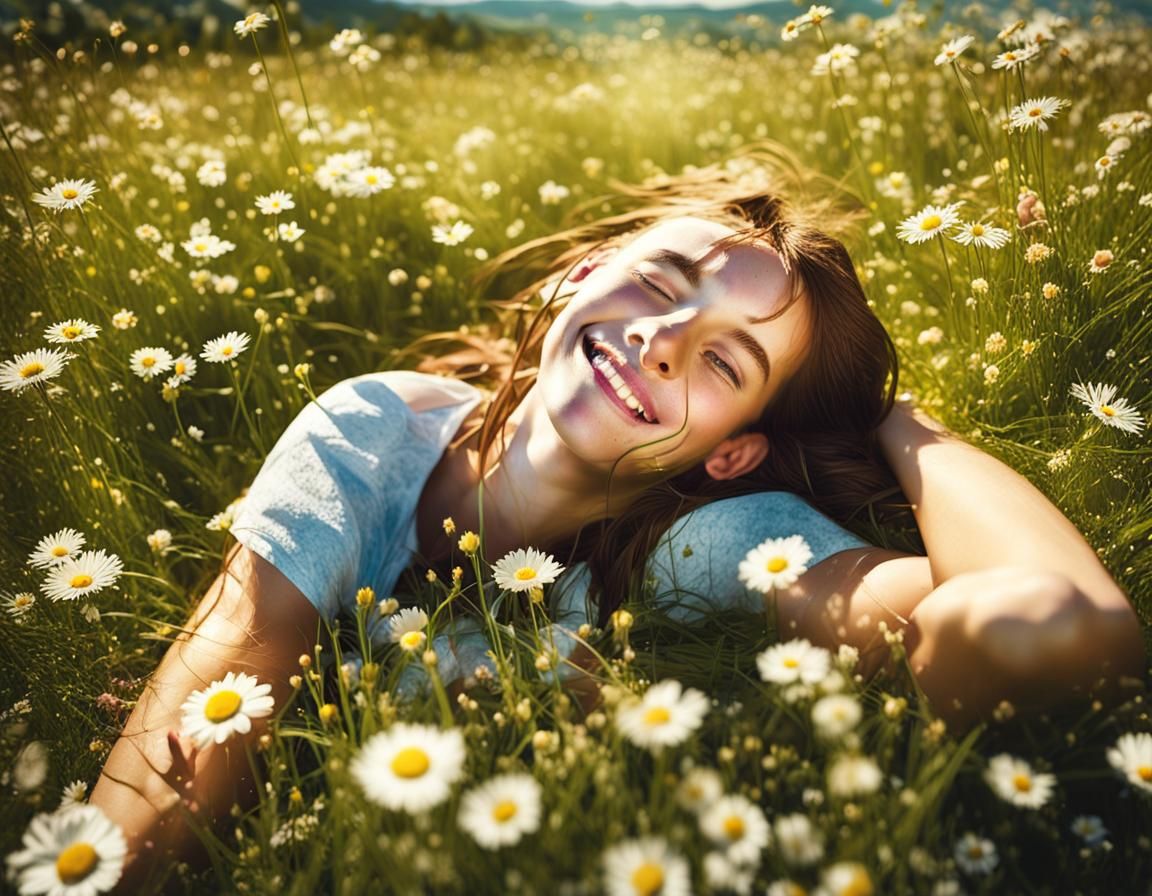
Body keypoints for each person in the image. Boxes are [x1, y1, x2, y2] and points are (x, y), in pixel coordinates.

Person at [89, 147, 1145, 884]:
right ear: (582, 274)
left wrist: (902, 426)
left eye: (728, 362)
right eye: (662, 283)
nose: (666, 339)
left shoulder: (710, 543)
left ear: (731, 450)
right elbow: (215, 688)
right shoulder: (371, 437)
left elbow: (1046, 623)